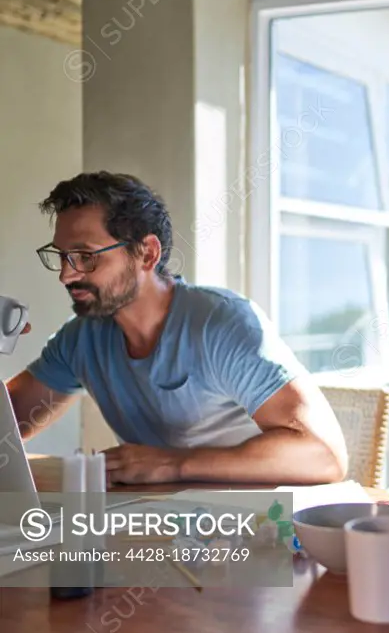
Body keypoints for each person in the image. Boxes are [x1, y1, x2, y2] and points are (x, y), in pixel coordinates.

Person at [4, 171, 348, 486]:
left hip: (253, 528)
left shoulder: (223, 323)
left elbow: (323, 454)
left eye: (85, 256)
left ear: (147, 254)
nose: (67, 274)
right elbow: (8, 430)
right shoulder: (81, 338)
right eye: (61, 256)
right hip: (160, 529)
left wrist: (174, 464)